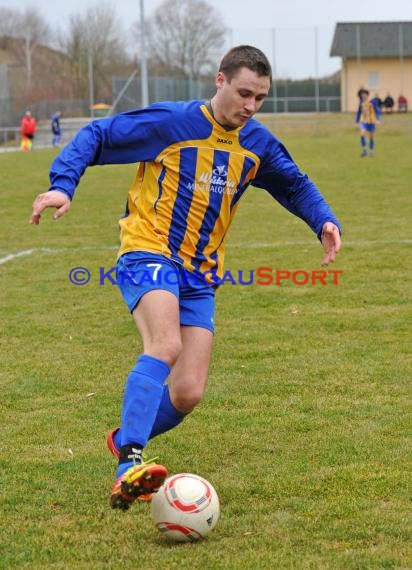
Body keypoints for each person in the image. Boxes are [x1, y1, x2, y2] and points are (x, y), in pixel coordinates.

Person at [30, 45, 342, 511]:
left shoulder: (256, 144)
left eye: (260, 98)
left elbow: (294, 183)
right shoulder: (172, 124)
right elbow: (98, 135)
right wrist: (62, 184)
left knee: (188, 390)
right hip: (148, 249)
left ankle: (124, 437)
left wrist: (323, 220)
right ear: (219, 81)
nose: (250, 106)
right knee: (165, 345)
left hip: (202, 274)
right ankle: (130, 464)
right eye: (243, 93)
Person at [355, 89, 381, 157]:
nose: (363, 95)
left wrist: (378, 119)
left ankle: (371, 151)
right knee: (362, 134)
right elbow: (359, 112)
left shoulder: (373, 102)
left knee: (371, 137)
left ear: (367, 95)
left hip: (372, 122)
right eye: (362, 94)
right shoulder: (361, 103)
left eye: (364, 94)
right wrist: (356, 121)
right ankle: (364, 151)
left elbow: (377, 111)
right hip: (364, 122)